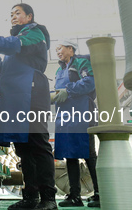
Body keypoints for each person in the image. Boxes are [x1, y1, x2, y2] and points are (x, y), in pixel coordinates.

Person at [0, 3, 56, 210]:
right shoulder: (16, 48)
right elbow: (5, 69)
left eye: (17, 13)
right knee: (24, 148)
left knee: (37, 143)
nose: (13, 17)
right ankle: (31, 197)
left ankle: (48, 198)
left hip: (32, 92)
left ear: (29, 16)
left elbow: (12, 44)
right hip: (17, 98)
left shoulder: (35, 33)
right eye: (11, 14)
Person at [52, 39, 100, 208]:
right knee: (69, 155)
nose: (57, 51)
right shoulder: (59, 70)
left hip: (80, 113)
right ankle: (74, 195)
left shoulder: (81, 62)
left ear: (70, 49)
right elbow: (59, 92)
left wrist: (68, 90)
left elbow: (90, 82)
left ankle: (99, 194)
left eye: (60, 48)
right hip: (64, 117)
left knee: (88, 154)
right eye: (56, 49)